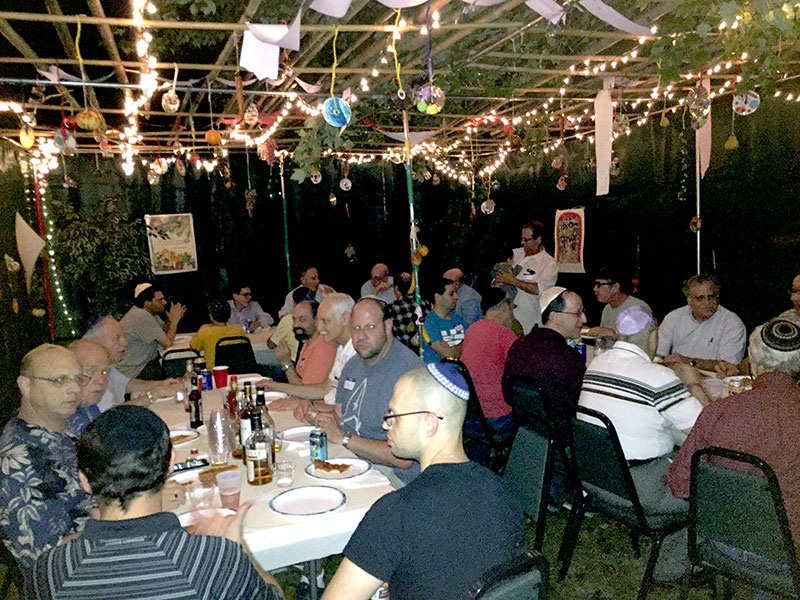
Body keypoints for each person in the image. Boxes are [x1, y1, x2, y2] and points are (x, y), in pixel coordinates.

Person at [26, 405, 283, 599]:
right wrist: (241, 550)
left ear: (84, 481)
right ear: (171, 463)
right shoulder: (215, 558)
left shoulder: (46, 572)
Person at [321, 363, 524, 600]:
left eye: (394, 416)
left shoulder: (396, 512)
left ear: (430, 424)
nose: (386, 424)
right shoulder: (504, 492)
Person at [668, 318, 800, 545]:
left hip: (722, 540)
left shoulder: (717, 412)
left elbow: (680, 485)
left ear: (754, 361)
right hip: (787, 554)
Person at [0, 344, 95, 569]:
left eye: (78, 379)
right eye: (59, 380)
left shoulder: (63, 427)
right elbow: (45, 558)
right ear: (25, 385)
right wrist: (127, 519)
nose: (74, 389)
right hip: (83, 571)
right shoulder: (18, 461)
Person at [314, 298, 423, 487]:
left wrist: (344, 438)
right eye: (355, 328)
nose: (361, 336)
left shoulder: (409, 374)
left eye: (370, 327)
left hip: (393, 477)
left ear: (388, 326)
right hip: (353, 458)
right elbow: (341, 415)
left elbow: (402, 458)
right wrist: (315, 415)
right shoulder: (352, 365)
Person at [503, 286, 587, 443]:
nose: (584, 319)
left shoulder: (519, 345)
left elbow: (508, 395)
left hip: (526, 432)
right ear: (554, 316)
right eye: (577, 313)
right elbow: (582, 403)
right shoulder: (567, 357)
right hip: (560, 438)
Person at [264, 293, 356, 414]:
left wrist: (304, 404)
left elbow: (350, 411)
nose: (320, 328)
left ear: (344, 319)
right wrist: (274, 386)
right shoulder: (342, 350)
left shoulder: (357, 354)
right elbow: (323, 389)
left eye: (325, 321)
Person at [82, 315, 181, 411]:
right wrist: (152, 395)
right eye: (117, 338)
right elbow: (110, 416)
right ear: (94, 343)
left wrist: (161, 384)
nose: (125, 342)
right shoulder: (90, 376)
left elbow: (126, 384)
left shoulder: (107, 366)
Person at [657, 273, 746, 371]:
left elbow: (728, 366)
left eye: (711, 297)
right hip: (676, 376)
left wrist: (690, 362)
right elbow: (658, 354)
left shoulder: (732, 323)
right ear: (689, 300)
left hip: (714, 381)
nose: (707, 303)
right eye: (700, 298)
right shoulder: (673, 317)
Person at [460, 288, 518, 437]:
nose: (513, 315)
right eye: (512, 308)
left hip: (470, 415)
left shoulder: (472, 329)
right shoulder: (505, 335)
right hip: (498, 418)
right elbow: (519, 373)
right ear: (504, 308)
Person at [494, 220, 558, 334]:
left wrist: (513, 281)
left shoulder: (549, 263)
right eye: (522, 238)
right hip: (503, 318)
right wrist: (496, 283)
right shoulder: (515, 254)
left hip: (527, 322)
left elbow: (539, 289)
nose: (522, 242)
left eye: (526, 240)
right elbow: (497, 276)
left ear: (538, 239)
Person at [117, 283, 186, 379]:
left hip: (142, 366)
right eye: (160, 300)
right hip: (134, 371)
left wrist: (170, 319)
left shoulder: (149, 314)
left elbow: (163, 331)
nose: (165, 302)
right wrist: (174, 321)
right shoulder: (141, 316)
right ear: (147, 303)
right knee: (179, 367)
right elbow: (167, 343)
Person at [275, 300, 337, 386]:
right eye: (294, 320)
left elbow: (307, 393)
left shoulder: (323, 348)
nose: (295, 325)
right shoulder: (308, 343)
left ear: (317, 321)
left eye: (302, 320)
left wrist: (286, 363)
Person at [584, 266, 653, 340]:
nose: (594, 289)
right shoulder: (607, 308)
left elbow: (642, 344)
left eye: (599, 285)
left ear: (615, 287)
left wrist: (611, 333)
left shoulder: (637, 309)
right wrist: (591, 332)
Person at [65, 340, 111, 437]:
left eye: (104, 372)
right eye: (90, 372)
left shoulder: (89, 406)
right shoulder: (63, 417)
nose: (101, 381)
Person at [420, 278, 466, 364]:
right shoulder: (429, 323)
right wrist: (465, 344)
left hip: (460, 371)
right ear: (437, 297)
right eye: (451, 294)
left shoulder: (458, 319)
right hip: (439, 372)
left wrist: (454, 347)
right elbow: (448, 354)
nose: (457, 297)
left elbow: (474, 344)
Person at [189, 299, 246, 368]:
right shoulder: (238, 330)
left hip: (215, 372)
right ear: (229, 316)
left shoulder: (205, 331)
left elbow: (193, 347)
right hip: (236, 371)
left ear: (211, 316)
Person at [385, 272, 430, 353]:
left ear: (396, 288)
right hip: (428, 350)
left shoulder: (390, 310)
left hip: (404, 355)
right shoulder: (424, 303)